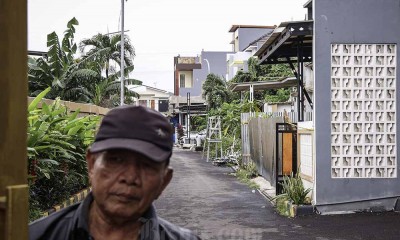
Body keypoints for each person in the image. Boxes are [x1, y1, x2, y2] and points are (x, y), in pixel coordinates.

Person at [29, 105, 200, 240]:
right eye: (116, 160)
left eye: (147, 165)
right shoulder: (36, 235)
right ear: (91, 164)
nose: (130, 177)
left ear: (164, 181)